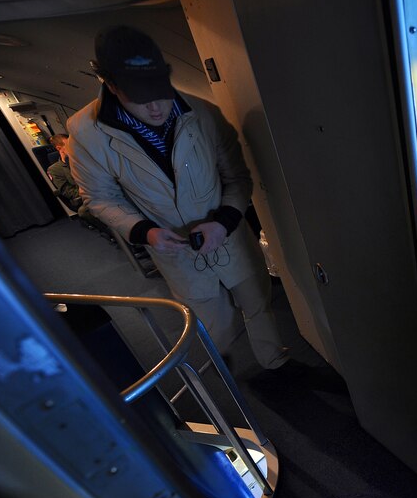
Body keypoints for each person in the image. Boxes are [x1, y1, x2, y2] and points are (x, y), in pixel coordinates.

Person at [67, 25, 290, 371]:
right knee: (214, 325)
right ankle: (236, 378)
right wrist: (145, 232)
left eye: (160, 91)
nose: (156, 107)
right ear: (110, 85)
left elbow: (237, 177)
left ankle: (277, 363)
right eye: (140, 97)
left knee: (259, 303)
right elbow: (99, 197)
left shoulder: (202, 112)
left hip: (229, 237)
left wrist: (224, 222)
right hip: (176, 251)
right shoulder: (85, 134)